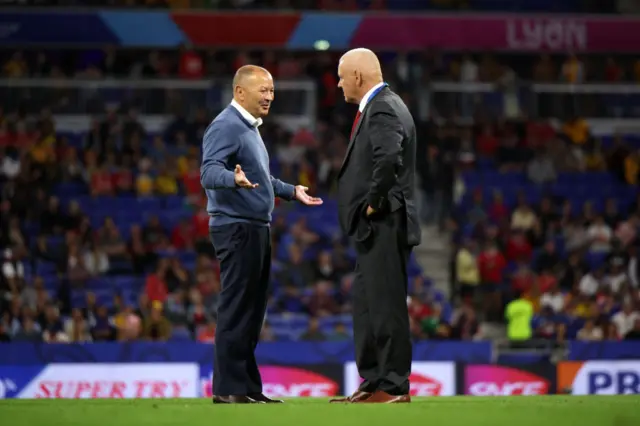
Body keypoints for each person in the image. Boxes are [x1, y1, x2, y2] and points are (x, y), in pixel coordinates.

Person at [200, 65, 323, 404]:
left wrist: (288, 190)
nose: (269, 96)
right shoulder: (225, 126)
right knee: (237, 309)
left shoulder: (248, 128)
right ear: (240, 92)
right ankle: (227, 389)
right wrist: (232, 180)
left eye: (271, 90)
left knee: (252, 313)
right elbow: (209, 171)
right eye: (263, 90)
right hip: (236, 227)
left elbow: (260, 177)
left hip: (254, 227)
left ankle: (247, 388)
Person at [332, 48, 421, 404]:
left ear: (357, 76)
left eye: (341, 76)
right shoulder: (382, 105)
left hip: (384, 220)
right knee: (368, 306)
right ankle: (374, 380)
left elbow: (388, 157)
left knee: (385, 306)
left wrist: (373, 203)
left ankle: (394, 385)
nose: (338, 84)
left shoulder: (383, 106)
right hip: (374, 226)